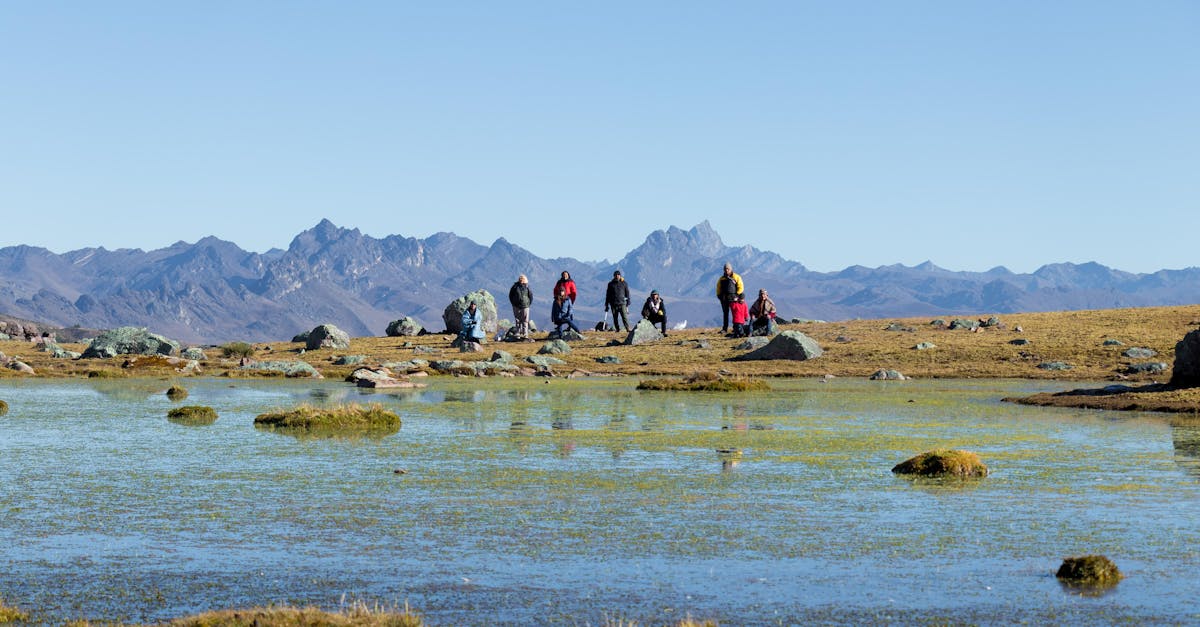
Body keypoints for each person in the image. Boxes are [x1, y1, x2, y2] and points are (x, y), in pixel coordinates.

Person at [715, 263, 744, 334]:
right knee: (725, 314)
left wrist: (737, 295)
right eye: (725, 269)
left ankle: (735, 328)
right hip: (724, 299)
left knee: (735, 313)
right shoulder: (721, 279)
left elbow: (741, 287)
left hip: (733, 298)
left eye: (728, 269)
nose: (726, 270)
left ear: (731, 269)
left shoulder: (736, 277)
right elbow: (718, 288)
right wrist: (719, 295)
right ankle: (724, 329)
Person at [508, 274, 533, 340]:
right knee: (517, 320)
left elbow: (530, 296)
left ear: (525, 280)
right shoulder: (515, 287)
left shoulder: (527, 287)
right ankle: (518, 334)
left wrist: (528, 304)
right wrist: (513, 303)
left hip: (525, 306)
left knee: (525, 320)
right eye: (520, 278)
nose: (521, 279)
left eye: (522, 278)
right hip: (516, 306)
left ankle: (525, 334)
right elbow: (510, 295)